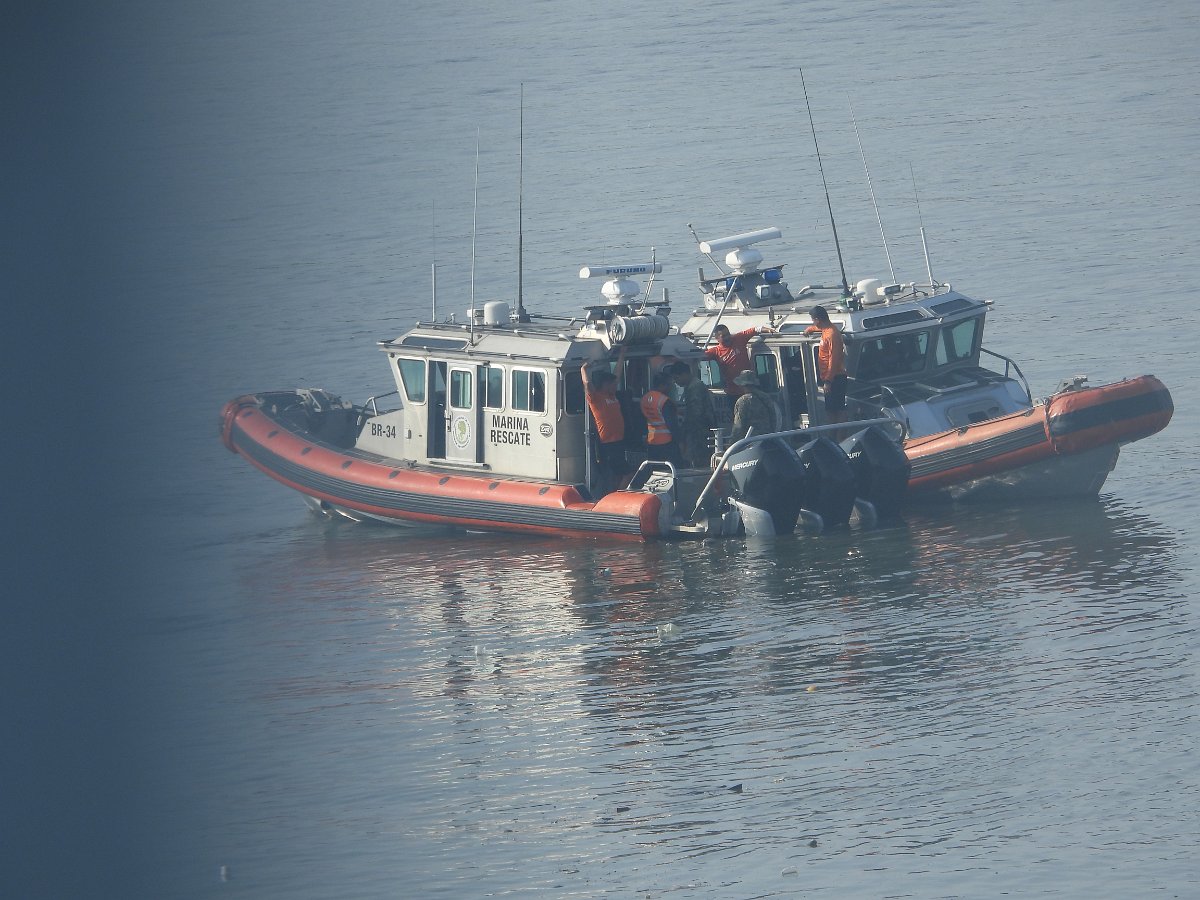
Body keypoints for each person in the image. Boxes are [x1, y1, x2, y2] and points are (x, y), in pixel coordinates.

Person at [582, 359, 629, 494]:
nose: (615, 386)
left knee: (617, 475)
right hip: (608, 443)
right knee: (627, 473)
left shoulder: (612, 395)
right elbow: (587, 384)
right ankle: (617, 496)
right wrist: (584, 369)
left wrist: (622, 354)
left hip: (618, 441)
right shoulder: (596, 398)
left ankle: (614, 493)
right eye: (612, 384)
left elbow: (617, 374)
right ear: (605, 384)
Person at [804, 305, 848, 428]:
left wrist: (828, 381)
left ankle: (838, 435)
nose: (813, 322)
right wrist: (810, 329)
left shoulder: (832, 334)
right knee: (830, 409)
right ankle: (833, 433)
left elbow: (834, 359)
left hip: (836, 378)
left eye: (813, 320)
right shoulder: (826, 329)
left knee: (837, 410)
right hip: (831, 378)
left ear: (817, 319)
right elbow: (819, 328)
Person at [704, 323, 776, 395]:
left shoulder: (739, 338)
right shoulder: (715, 352)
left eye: (728, 334)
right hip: (732, 393)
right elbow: (699, 356)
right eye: (724, 336)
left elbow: (755, 330)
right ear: (717, 339)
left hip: (749, 389)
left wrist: (768, 330)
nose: (727, 337)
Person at [671, 361, 716, 467]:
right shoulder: (691, 386)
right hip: (698, 431)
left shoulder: (695, 387)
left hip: (700, 432)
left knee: (700, 460)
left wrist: (684, 430)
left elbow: (696, 413)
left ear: (684, 374)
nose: (676, 382)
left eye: (677, 378)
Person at [639, 369, 684, 465]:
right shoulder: (665, 401)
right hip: (667, 442)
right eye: (669, 385)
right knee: (673, 469)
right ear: (663, 385)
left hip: (652, 441)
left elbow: (643, 420)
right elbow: (672, 424)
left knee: (655, 469)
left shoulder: (645, 398)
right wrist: (680, 442)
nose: (671, 387)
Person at [730, 369, 783, 442]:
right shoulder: (766, 397)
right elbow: (774, 418)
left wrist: (731, 444)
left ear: (742, 385)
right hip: (767, 438)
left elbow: (738, 426)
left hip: (751, 441)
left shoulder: (743, 401)